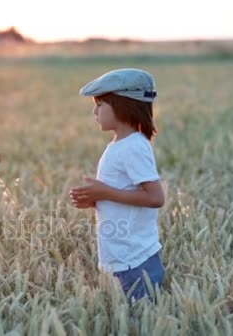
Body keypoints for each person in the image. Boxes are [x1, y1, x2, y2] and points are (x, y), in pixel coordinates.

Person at [70, 68, 165, 304]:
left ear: (124, 106)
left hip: (135, 259)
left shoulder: (134, 146)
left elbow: (155, 198)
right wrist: (96, 199)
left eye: (100, 105)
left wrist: (106, 192)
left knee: (140, 323)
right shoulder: (120, 144)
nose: (95, 111)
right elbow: (125, 194)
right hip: (121, 255)